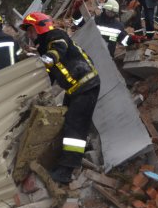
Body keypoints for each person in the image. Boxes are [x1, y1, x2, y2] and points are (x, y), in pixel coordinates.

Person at [19, 12, 100, 184]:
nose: (28, 35)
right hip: (75, 89)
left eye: (29, 30)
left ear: (38, 28)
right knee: (67, 122)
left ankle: (66, 171)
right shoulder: (44, 46)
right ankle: (69, 158)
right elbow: (49, 74)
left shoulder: (55, 36)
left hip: (86, 86)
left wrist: (46, 59)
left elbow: (58, 50)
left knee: (75, 126)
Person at [72, 0, 143, 57]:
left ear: (115, 13)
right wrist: (77, 11)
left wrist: (133, 39)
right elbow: (78, 23)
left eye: (113, 12)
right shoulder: (94, 20)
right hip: (90, 54)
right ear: (104, 9)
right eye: (109, 11)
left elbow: (124, 40)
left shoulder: (118, 26)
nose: (110, 14)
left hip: (107, 58)